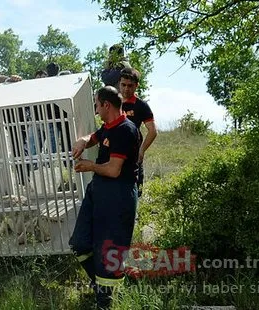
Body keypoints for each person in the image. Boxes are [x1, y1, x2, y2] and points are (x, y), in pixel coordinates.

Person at [69, 86, 140, 309]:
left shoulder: (125, 130)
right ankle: (101, 285)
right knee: (80, 243)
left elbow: (113, 170)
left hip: (118, 195)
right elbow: (95, 137)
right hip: (99, 191)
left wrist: (90, 165)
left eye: (97, 105)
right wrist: (83, 140)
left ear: (106, 105)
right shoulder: (109, 127)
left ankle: (105, 301)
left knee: (108, 250)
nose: (96, 109)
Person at [119, 67, 157, 197]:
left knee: (135, 192)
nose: (126, 89)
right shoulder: (113, 102)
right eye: (123, 85)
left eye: (130, 86)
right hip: (114, 154)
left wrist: (141, 150)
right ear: (119, 83)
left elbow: (152, 131)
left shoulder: (141, 105)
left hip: (133, 155)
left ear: (136, 86)